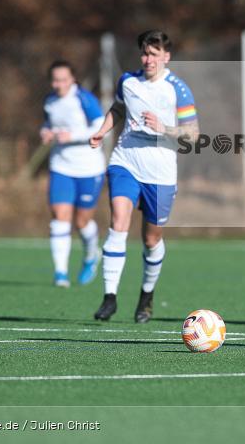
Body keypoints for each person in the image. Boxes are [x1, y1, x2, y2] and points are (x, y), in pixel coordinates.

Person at [89, 30, 199, 322]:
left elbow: (193, 132)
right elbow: (118, 108)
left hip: (160, 171)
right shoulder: (128, 81)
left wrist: (164, 128)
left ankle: (146, 296)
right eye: (144, 53)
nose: (148, 59)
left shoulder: (178, 88)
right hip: (125, 161)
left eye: (154, 54)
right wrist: (102, 130)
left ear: (166, 57)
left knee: (151, 239)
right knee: (118, 223)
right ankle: (109, 297)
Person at [41, 60, 106, 288]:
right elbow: (47, 123)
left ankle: (91, 254)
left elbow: (101, 128)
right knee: (60, 216)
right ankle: (61, 273)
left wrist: (73, 136)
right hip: (61, 166)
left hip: (89, 168)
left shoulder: (84, 99)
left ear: (73, 79)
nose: (58, 84)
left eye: (63, 79)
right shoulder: (50, 101)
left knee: (82, 221)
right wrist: (46, 133)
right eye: (55, 80)